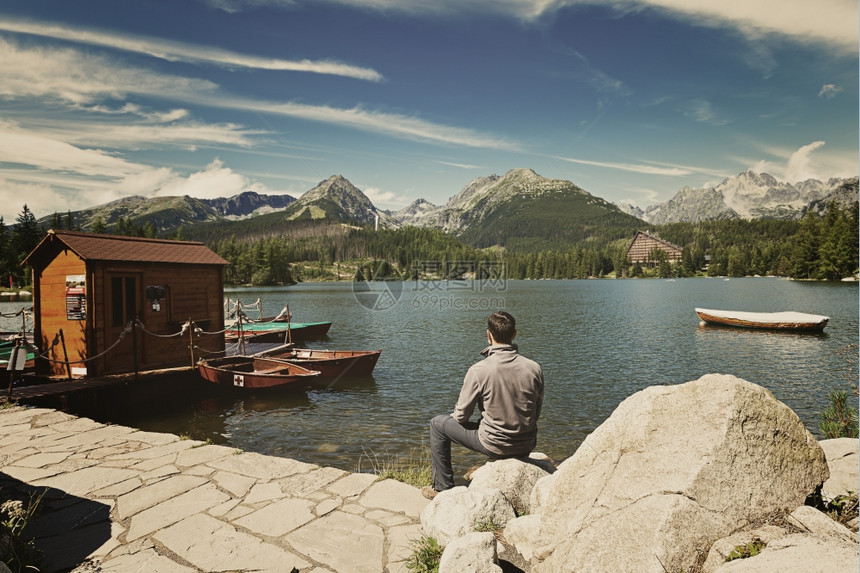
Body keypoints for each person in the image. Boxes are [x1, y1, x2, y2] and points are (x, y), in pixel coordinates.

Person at [423, 311, 544, 500]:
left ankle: (442, 488)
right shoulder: (534, 368)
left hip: (495, 444)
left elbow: (461, 416)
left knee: (438, 424)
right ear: (514, 334)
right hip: (527, 443)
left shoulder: (479, 370)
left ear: (489, 335)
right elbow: (535, 413)